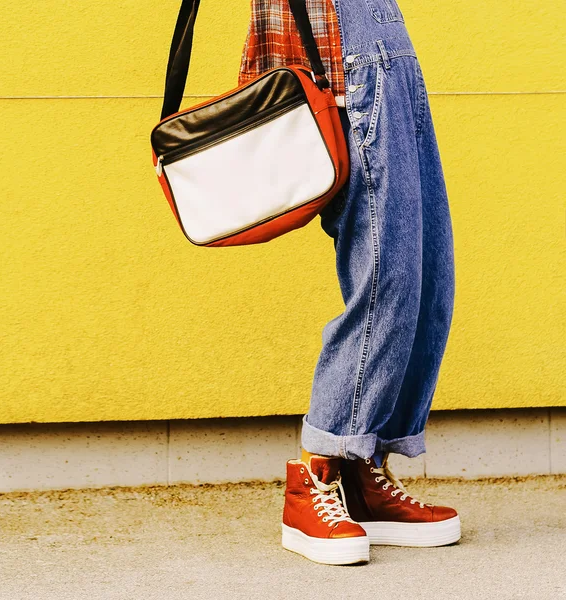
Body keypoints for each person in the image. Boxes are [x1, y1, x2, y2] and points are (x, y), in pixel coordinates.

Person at [239, 0, 459, 565]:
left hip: (389, 53)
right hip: (343, 60)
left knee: (427, 277)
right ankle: (315, 476)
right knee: (385, 277)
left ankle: (361, 469)